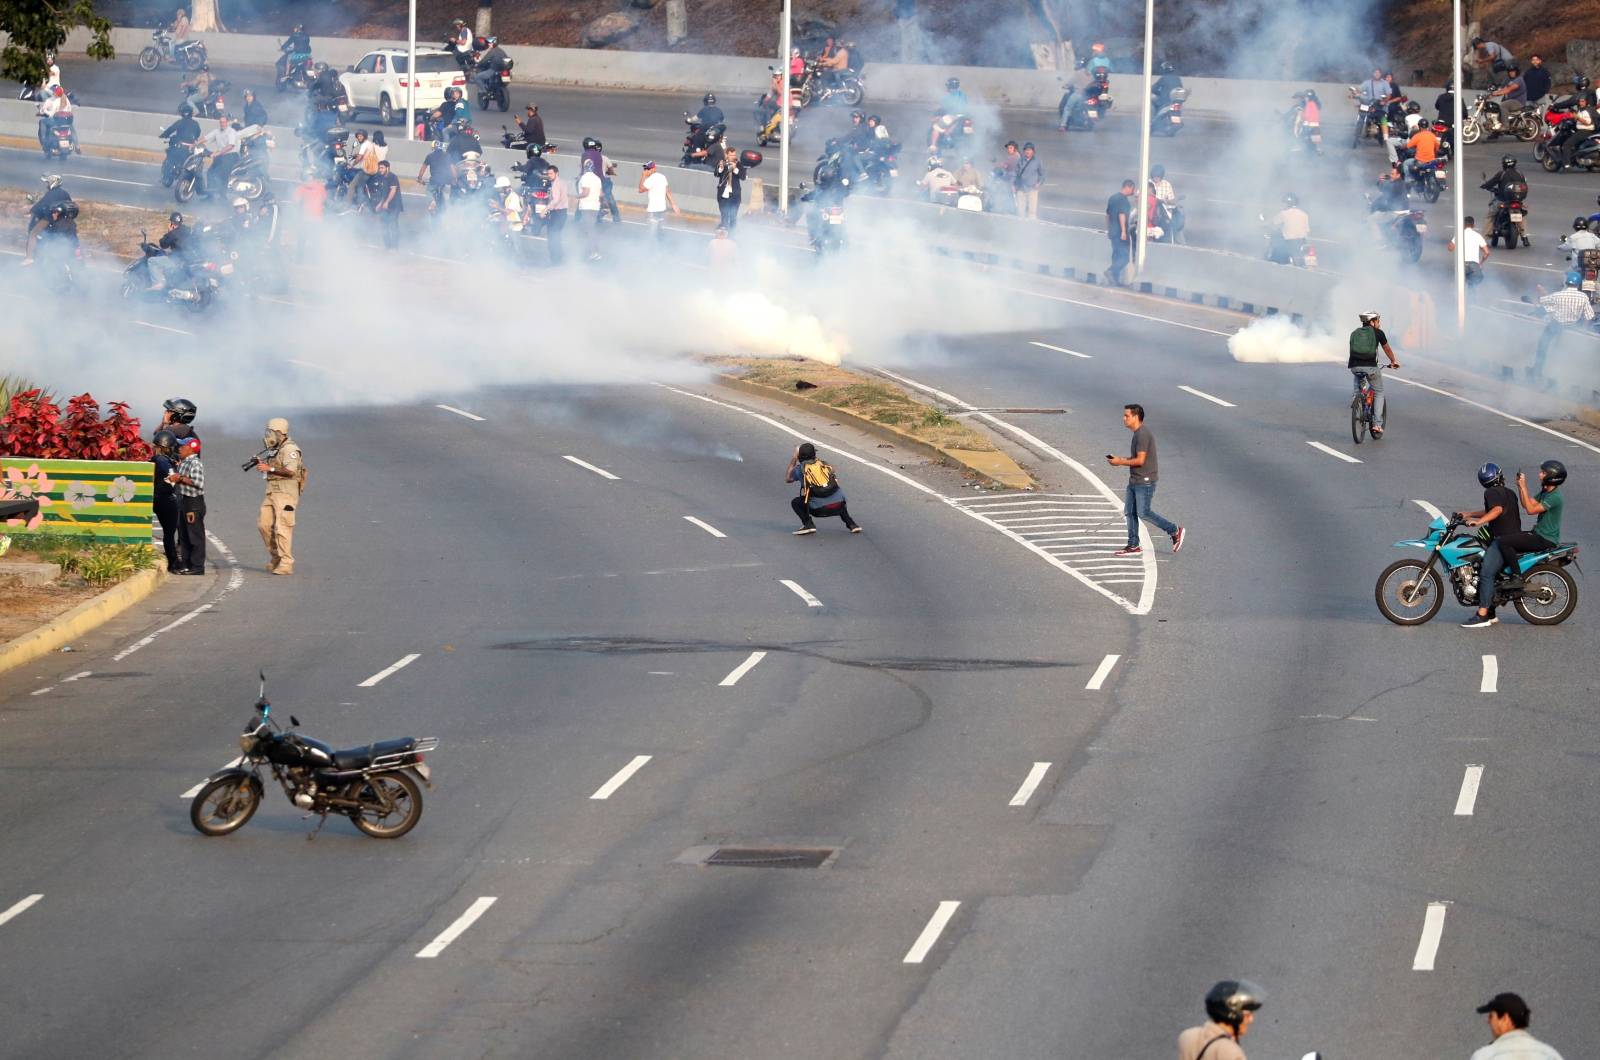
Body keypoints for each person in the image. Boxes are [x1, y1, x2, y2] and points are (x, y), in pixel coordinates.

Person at [1108, 403, 1184, 556]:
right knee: (1130, 512)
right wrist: (1120, 459)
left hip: (1145, 481)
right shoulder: (1137, 433)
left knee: (1143, 512)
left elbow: (1140, 460)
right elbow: (1137, 458)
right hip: (1135, 480)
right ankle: (1133, 545)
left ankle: (1174, 530)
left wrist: (1120, 462)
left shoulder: (1142, 434)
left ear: (1136, 417)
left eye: (1126, 416)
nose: (1123, 418)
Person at [254, 417, 303, 575]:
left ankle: (286, 562)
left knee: (283, 527)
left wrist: (270, 469)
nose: (268, 435)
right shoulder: (276, 448)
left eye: (271, 432)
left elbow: (291, 472)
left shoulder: (290, 449)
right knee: (264, 524)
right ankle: (276, 557)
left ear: (279, 432)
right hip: (272, 491)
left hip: (285, 492)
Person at [786, 442, 861, 535]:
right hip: (840, 505)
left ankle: (808, 524)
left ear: (799, 456)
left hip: (819, 510)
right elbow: (833, 469)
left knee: (795, 502)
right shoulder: (824, 465)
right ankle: (852, 524)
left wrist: (794, 458)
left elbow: (788, 479)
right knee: (835, 495)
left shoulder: (799, 469)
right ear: (814, 455)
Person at [1177, 980, 1263, 1060]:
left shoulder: (1187, 1036)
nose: (1251, 1020)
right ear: (1233, 1016)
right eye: (1247, 1015)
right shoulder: (1231, 1052)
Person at [1531, 272, 1595, 378]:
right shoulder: (1583, 297)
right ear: (1578, 284)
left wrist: (1542, 292)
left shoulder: (1558, 295)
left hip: (1555, 326)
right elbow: (1589, 316)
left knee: (1542, 345)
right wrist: (1583, 330)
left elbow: (1542, 301)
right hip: (1573, 327)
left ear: (1566, 283)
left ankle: (1537, 369)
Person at [1348, 311, 1401, 436]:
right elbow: (1386, 348)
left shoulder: (1354, 333)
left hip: (1354, 366)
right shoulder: (1378, 333)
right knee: (1378, 392)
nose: (1379, 323)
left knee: (1359, 380)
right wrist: (1393, 361)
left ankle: (1356, 398)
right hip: (1371, 367)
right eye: (1377, 321)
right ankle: (1377, 424)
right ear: (1372, 322)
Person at [1470, 992, 1564, 1059]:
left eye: (1491, 1016)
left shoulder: (1485, 1056)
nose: (1488, 1021)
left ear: (1505, 1019)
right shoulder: (1550, 1054)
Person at [169, 437, 206, 575]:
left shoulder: (195, 463)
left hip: (193, 503)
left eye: (182, 446)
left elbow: (198, 482)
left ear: (191, 449)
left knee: (195, 535)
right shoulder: (184, 462)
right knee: (184, 535)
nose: (179, 448)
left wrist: (179, 478)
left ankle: (197, 567)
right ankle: (186, 564)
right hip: (184, 500)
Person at [1481, 154, 1529, 246]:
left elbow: (1490, 183)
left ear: (1504, 164)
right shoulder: (1520, 174)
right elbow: (1525, 185)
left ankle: (1483, 239)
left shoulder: (1501, 174)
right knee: (1522, 216)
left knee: (1490, 216)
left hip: (1502, 201)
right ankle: (1525, 237)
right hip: (1517, 202)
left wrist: (1484, 186)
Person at [22, 174, 72, 264]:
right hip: (64, 220)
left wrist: (30, 212)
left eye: (48, 183)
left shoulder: (50, 194)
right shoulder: (65, 193)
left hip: (50, 218)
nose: (47, 185)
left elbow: (40, 206)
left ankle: (29, 258)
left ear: (53, 183)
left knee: (33, 234)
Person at [151, 429, 181, 572]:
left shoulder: (154, 459)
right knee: (169, 533)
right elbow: (172, 476)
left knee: (168, 533)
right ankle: (173, 562)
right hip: (166, 500)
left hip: (156, 498)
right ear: (166, 447)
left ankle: (173, 560)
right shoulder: (163, 460)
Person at [1549, 94, 1596, 171]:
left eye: (1583, 101)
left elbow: (1588, 122)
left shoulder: (1586, 111)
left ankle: (1567, 164)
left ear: (1586, 102)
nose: (1581, 103)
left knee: (1567, 144)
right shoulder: (1587, 109)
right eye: (1580, 101)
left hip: (1584, 131)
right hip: (1588, 131)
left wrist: (1577, 117)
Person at [638, 160, 681, 241]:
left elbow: (640, 190)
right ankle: (660, 249)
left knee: (651, 234)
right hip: (662, 210)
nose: (647, 170)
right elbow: (667, 191)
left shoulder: (650, 179)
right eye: (646, 169)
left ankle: (652, 250)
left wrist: (643, 176)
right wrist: (674, 205)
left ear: (654, 168)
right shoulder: (662, 176)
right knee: (659, 232)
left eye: (648, 169)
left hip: (653, 211)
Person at [1106, 178, 1135, 284]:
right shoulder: (1123, 200)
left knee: (1116, 255)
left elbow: (1108, 215)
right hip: (1120, 233)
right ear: (1128, 187)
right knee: (1125, 257)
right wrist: (1123, 231)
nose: (1133, 191)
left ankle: (1114, 280)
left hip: (1113, 232)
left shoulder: (1112, 198)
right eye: (1132, 188)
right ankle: (1111, 271)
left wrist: (1109, 229)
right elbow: (1122, 215)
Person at [1268, 192, 1309, 264]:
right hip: (1302, 241)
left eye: (1284, 203)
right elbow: (1307, 230)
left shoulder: (1284, 213)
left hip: (1289, 241)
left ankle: (1276, 259)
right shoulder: (1304, 214)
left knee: (1277, 244)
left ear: (1287, 204)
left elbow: (1273, 223)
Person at [1448, 215, 1490, 287]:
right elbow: (1487, 252)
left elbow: (1450, 248)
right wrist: (1480, 263)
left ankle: (1458, 292)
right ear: (1473, 225)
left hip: (1461, 265)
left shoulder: (1459, 234)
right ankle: (1470, 289)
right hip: (1474, 265)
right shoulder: (1478, 236)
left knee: (1458, 285)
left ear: (1463, 225)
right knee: (1474, 282)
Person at [37, 85, 78, 155]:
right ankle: (76, 145)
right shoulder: (66, 99)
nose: (52, 93)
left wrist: (44, 111)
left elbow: (52, 115)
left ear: (55, 93)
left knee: (42, 122)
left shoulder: (54, 101)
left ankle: (44, 141)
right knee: (72, 129)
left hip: (57, 121)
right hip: (67, 121)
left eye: (53, 92)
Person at [576, 158, 603, 261]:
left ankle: (594, 252)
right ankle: (594, 251)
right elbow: (601, 194)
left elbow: (585, 193)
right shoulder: (597, 178)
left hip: (587, 206)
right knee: (591, 229)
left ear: (585, 168)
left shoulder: (585, 178)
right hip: (595, 206)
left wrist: (577, 197)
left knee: (589, 230)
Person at [417, 138, 454, 215]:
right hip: (446, 181)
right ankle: (447, 209)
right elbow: (453, 169)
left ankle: (432, 201)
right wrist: (455, 178)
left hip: (435, 180)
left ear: (433, 148)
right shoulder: (447, 155)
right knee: (446, 194)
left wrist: (419, 178)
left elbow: (423, 168)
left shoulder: (430, 156)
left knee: (429, 190)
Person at [714, 146, 746, 230]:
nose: (733, 157)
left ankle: (732, 234)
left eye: (734, 155)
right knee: (724, 216)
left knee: (733, 217)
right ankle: (723, 233)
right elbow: (716, 174)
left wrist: (735, 169)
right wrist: (721, 168)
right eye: (731, 155)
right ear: (726, 155)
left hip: (735, 196)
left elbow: (743, 177)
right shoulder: (722, 163)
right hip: (723, 195)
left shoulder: (739, 164)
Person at [372, 159, 401, 249]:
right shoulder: (381, 178)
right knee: (384, 226)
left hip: (394, 205)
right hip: (385, 206)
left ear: (387, 168)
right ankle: (387, 247)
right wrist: (380, 204)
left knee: (393, 226)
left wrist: (387, 202)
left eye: (382, 168)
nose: (380, 170)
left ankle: (395, 248)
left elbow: (393, 190)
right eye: (379, 168)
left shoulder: (392, 177)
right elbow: (384, 193)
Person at [346, 128, 377, 210]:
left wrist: (351, 165)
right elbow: (363, 155)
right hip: (373, 168)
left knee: (353, 185)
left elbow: (359, 158)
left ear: (365, 136)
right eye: (358, 136)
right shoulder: (369, 144)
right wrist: (356, 155)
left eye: (361, 136)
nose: (359, 138)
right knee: (360, 184)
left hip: (367, 170)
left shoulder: (364, 145)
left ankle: (349, 205)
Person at [1148, 163, 1179, 241]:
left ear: (1161, 176)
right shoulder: (1147, 183)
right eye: (1155, 176)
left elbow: (1173, 201)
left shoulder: (1167, 184)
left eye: (1158, 176)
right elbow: (1139, 195)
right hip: (1149, 208)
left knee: (1171, 219)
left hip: (1163, 210)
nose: (1156, 178)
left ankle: (1167, 236)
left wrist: (1166, 201)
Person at [544, 163, 567, 264]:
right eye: (548, 173)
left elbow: (556, 199)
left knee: (552, 236)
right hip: (563, 213)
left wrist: (545, 209)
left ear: (556, 173)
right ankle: (559, 257)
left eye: (551, 173)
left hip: (557, 213)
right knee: (556, 236)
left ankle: (555, 259)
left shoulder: (555, 185)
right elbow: (560, 196)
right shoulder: (562, 183)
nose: (549, 175)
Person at [1014, 142, 1043, 220]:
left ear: (1033, 151)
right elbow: (1016, 174)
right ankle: (1020, 227)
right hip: (1021, 188)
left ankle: (1032, 228)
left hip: (1032, 189)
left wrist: (1038, 183)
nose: (1027, 151)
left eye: (1029, 150)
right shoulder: (1020, 161)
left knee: (1032, 211)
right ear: (1024, 151)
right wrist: (1014, 185)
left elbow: (1042, 175)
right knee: (1020, 211)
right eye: (1026, 150)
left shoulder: (1038, 161)